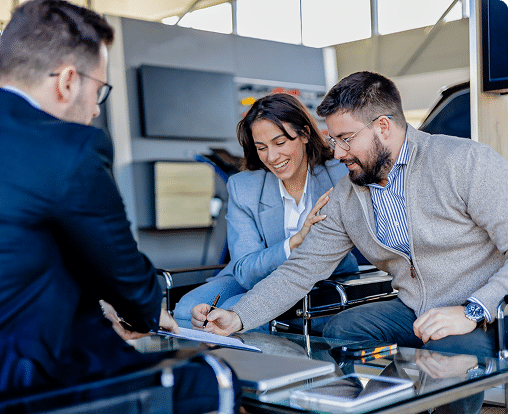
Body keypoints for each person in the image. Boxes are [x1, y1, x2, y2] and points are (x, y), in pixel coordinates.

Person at [0, 1, 239, 413]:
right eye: (99, 90)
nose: (95, 108)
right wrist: (148, 312)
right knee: (214, 379)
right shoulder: (68, 149)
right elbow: (124, 272)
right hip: (12, 381)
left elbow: (13, 253)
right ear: (68, 81)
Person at [192, 71, 508, 360]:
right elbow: (299, 272)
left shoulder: (465, 162)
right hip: (417, 307)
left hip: (491, 308)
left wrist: (471, 311)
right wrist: (238, 316)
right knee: (342, 331)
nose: (338, 153)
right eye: (333, 140)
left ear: (382, 127)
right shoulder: (346, 195)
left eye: (345, 139)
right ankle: (391, 400)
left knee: (446, 354)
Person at [173, 93, 358, 330]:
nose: (272, 157)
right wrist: (294, 242)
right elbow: (246, 272)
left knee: (236, 311)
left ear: (304, 134)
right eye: (261, 148)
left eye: (280, 143)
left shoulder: (339, 174)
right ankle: (212, 365)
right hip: (253, 276)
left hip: (322, 278)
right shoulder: (244, 188)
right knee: (187, 309)